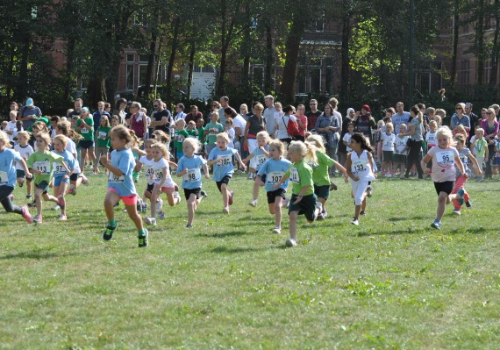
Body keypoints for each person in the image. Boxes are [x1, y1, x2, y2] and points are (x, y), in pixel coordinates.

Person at [100, 125, 148, 247]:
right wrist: (109, 164)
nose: (111, 142)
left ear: (122, 141)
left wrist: (106, 164)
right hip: (114, 186)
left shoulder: (127, 154)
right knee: (107, 202)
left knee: (133, 215)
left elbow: (120, 172)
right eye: (111, 139)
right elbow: (114, 169)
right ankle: (111, 224)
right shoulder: (115, 152)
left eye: (113, 139)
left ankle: (141, 233)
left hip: (126, 189)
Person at [273, 141, 319, 247]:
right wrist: (279, 183)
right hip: (296, 195)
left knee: (310, 220)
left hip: (307, 196)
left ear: (299, 154)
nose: (289, 155)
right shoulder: (293, 165)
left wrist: (301, 195)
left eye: (291, 153)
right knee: (292, 215)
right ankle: (292, 239)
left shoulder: (304, 168)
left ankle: (318, 208)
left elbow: (307, 185)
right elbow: (287, 174)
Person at [421, 126, 466, 230]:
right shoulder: (434, 150)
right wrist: (424, 169)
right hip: (437, 179)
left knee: (441, 198)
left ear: (449, 139)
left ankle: (437, 221)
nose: (442, 142)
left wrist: (463, 172)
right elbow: (423, 161)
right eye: (440, 140)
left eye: (444, 139)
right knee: (445, 201)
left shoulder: (453, 150)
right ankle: (458, 196)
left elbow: (459, 162)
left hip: (450, 178)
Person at [27, 132, 70, 224]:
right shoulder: (34, 155)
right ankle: (58, 200)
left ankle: (39, 216)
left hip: (46, 180)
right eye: (37, 141)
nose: (38, 143)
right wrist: (35, 171)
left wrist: (67, 170)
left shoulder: (49, 155)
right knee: (46, 198)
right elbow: (29, 166)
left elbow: (60, 160)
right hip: (37, 179)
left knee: (37, 195)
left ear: (46, 143)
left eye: (40, 141)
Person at [306, 134, 348, 220]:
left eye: (311, 144)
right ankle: (322, 212)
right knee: (317, 202)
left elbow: (334, 162)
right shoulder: (306, 156)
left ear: (318, 145)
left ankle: (316, 215)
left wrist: (345, 172)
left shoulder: (321, 155)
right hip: (312, 184)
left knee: (319, 202)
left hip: (323, 183)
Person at [257, 139, 292, 234]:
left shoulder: (287, 163)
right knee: (272, 211)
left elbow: (293, 172)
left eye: (273, 150)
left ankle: (278, 226)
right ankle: (285, 202)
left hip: (281, 187)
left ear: (280, 151)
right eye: (270, 150)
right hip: (270, 188)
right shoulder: (268, 162)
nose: (270, 152)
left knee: (277, 206)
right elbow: (259, 174)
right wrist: (259, 181)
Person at [207, 132, 246, 214]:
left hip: (228, 171)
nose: (220, 144)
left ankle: (226, 207)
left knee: (223, 186)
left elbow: (236, 153)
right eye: (218, 142)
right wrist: (216, 160)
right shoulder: (214, 151)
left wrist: (241, 163)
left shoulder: (229, 150)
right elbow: (208, 163)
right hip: (218, 174)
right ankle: (230, 194)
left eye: (223, 142)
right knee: (223, 190)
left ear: (227, 143)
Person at [0, 130, 33, 223]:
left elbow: (21, 160)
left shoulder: (10, 152)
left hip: (8, 184)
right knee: (9, 208)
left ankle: (9, 195)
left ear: (3, 142)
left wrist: (26, 172)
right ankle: (23, 211)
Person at [176, 138, 210, 228]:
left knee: (190, 204)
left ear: (193, 149)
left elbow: (204, 164)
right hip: (187, 186)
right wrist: (183, 172)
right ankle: (201, 196)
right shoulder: (182, 160)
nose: (184, 149)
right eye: (183, 147)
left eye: (187, 147)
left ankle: (189, 224)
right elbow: (178, 174)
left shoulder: (198, 158)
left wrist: (206, 173)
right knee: (193, 205)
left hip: (196, 184)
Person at [144, 142, 181, 226]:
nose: (154, 154)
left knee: (171, 203)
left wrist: (160, 186)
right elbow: (156, 171)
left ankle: (177, 198)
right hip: (158, 182)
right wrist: (153, 176)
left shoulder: (163, 162)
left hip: (167, 183)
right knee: (153, 199)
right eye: (153, 152)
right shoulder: (153, 161)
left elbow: (164, 176)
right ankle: (153, 219)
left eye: (157, 152)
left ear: (162, 153)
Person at [346, 133, 376, 226]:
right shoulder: (350, 155)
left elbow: (372, 166)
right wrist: (352, 177)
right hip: (355, 179)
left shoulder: (367, 154)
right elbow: (348, 170)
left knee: (358, 198)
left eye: (352, 142)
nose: (350, 144)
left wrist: (373, 173)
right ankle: (368, 190)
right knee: (355, 196)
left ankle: (355, 219)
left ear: (359, 143)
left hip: (364, 178)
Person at [451, 133, 480, 215]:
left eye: (459, 144)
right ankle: (466, 199)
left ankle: (457, 208)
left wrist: (479, 169)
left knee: (455, 189)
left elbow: (473, 159)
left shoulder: (465, 151)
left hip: (464, 173)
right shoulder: (452, 151)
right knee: (461, 189)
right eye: (455, 144)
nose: (457, 146)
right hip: (454, 174)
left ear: (463, 143)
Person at [51, 135, 76, 221]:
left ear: (64, 145)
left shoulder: (68, 155)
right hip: (56, 177)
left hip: (64, 177)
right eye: (55, 144)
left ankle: (63, 214)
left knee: (61, 195)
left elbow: (73, 167)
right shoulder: (52, 153)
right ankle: (69, 190)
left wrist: (68, 175)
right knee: (56, 197)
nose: (56, 146)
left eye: (58, 144)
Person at [244, 131, 270, 206]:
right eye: (259, 141)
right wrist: (246, 160)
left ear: (267, 141)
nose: (261, 143)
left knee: (266, 185)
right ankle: (254, 200)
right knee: (256, 183)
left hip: (268, 170)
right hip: (260, 170)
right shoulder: (257, 149)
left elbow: (270, 156)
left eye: (263, 141)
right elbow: (252, 155)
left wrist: (263, 150)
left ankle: (283, 198)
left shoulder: (268, 148)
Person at [315, 103, 341, 175]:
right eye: (325, 108)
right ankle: (325, 172)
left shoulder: (334, 117)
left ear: (331, 109)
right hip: (323, 139)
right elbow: (316, 128)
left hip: (332, 138)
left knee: (333, 155)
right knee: (324, 155)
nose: (327, 109)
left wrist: (330, 127)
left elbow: (338, 128)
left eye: (328, 108)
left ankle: (333, 172)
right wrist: (324, 129)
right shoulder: (320, 117)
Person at [400, 105, 424, 179]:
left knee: (414, 158)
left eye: (410, 111)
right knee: (412, 157)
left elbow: (412, 132)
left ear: (413, 112)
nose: (410, 112)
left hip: (415, 141)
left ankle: (419, 174)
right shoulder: (419, 119)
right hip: (418, 140)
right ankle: (408, 174)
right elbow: (423, 131)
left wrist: (404, 134)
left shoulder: (414, 120)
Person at [14, 131, 34, 199]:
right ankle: (21, 181)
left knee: (29, 182)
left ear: (25, 138)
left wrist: (27, 160)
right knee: (19, 180)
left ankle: (29, 194)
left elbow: (32, 157)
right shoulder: (16, 147)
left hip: (28, 167)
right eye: (18, 139)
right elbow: (15, 157)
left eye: (20, 138)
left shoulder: (29, 148)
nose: (18, 140)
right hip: (19, 166)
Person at [76, 107, 96, 172]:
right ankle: (81, 169)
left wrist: (84, 123)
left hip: (89, 139)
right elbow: (77, 129)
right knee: (83, 154)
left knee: (91, 153)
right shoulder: (79, 120)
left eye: (84, 112)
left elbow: (90, 128)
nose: (82, 113)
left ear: (87, 113)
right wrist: (81, 124)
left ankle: (95, 167)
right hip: (82, 139)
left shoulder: (90, 119)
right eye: (81, 112)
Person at [481, 108, 499, 179]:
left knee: (490, 158)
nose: (487, 114)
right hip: (485, 141)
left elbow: (496, 132)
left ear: (493, 114)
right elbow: (483, 131)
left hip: (493, 141)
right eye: (487, 113)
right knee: (486, 158)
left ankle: (489, 174)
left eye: (489, 113)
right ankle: (488, 174)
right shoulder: (483, 121)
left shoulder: (496, 123)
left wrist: (490, 137)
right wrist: (488, 138)